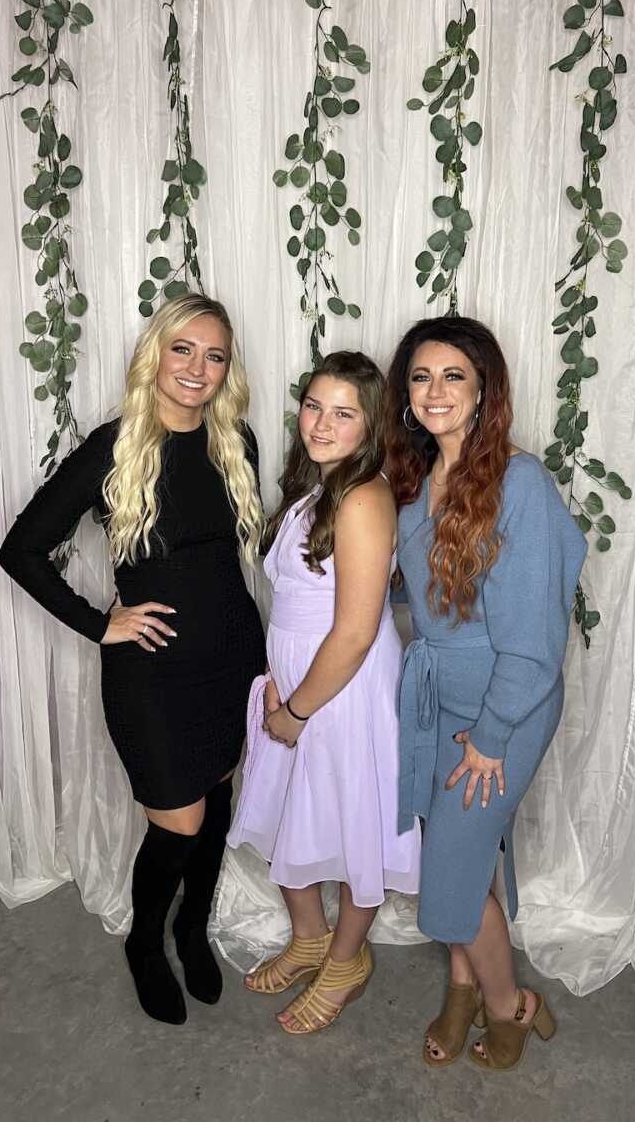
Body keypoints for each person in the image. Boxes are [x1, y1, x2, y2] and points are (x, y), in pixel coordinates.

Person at [0, 294, 265, 1026]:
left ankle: (192, 928)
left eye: (214, 356)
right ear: (155, 354)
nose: (197, 368)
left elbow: (236, 558)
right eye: (183, 349)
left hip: (233, 658)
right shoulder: (113, 447)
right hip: (152, 674)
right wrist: (97, 623)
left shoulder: (235, 441)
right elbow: (19, 551)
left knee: (213, 805)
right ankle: (147, 943)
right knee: (176, 821)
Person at [384, 316, 586, 1071]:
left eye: (453, 377)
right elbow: (426, 597)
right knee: (458, 853)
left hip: (509, 701)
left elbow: (535, 639)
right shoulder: (413, 482)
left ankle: (512, 1006)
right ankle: (463, 991)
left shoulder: (520, 482)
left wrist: (494, 733)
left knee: (451, 873)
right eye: (420, 377)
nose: (435, 392)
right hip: (441, 689)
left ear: (483, 392)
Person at [227, 350, 421, 1034]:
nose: (322, 423)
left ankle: (345, 959)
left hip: (341, 694)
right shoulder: (317, 485)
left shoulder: (364, 497)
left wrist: (298, 711)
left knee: (351, 820)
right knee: (291, 814)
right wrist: (282, 687)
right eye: (314, 406)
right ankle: (308, 937)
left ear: (370, 426)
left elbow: (358, 631)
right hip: (299, 687)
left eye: (344, 413)